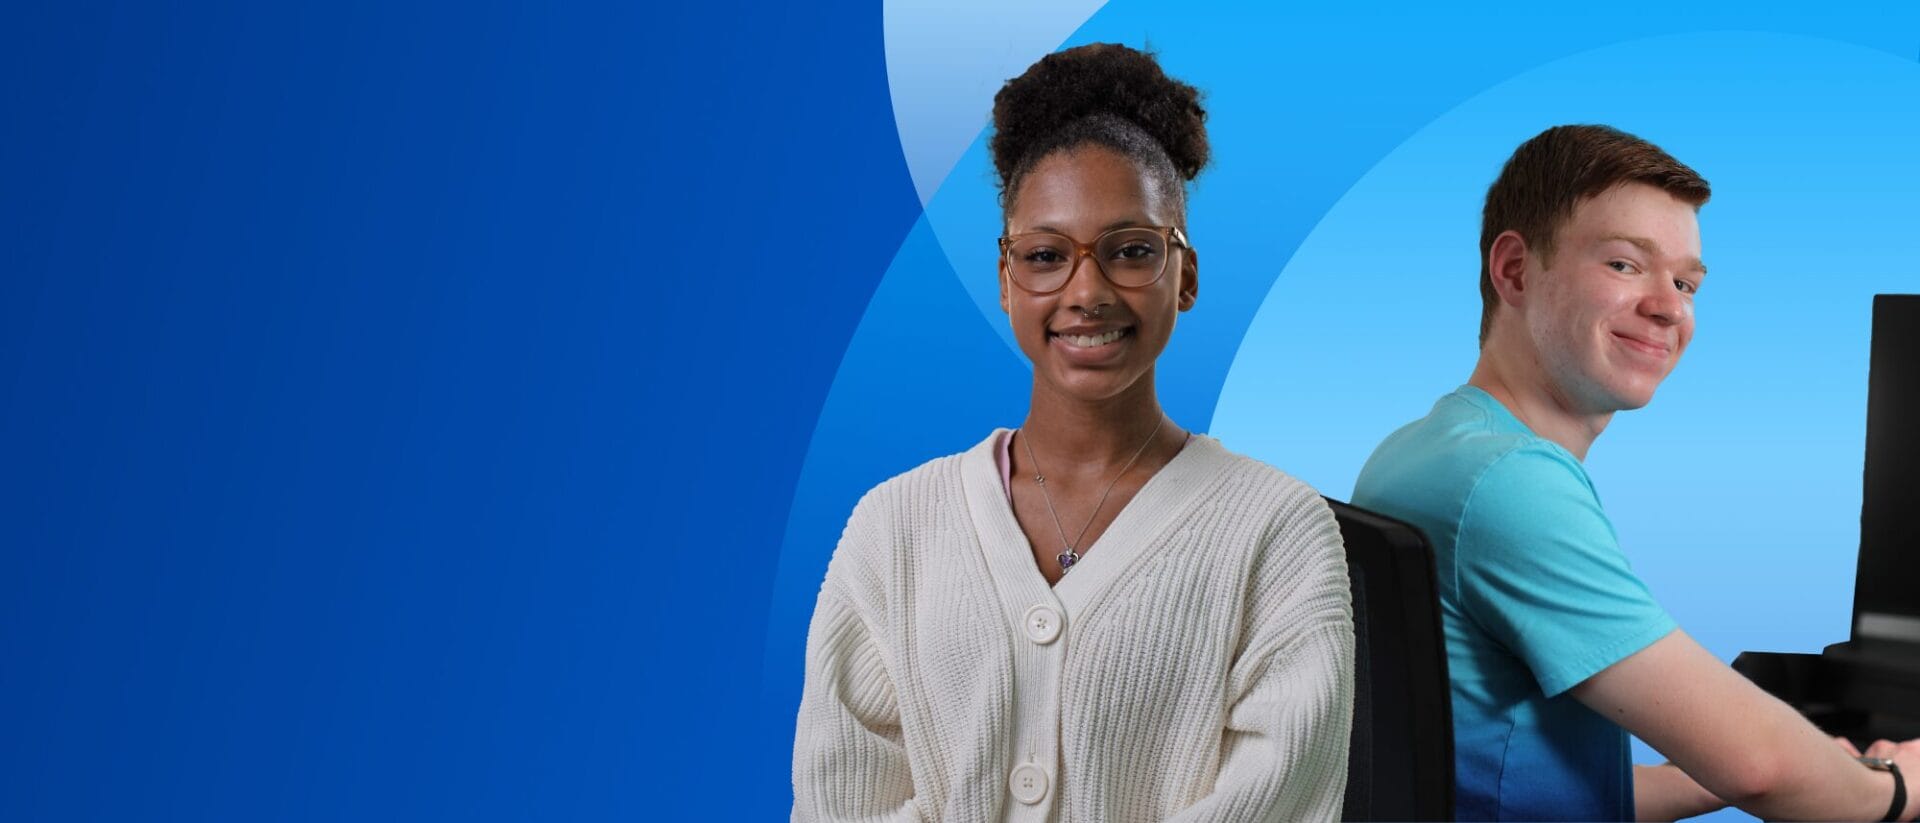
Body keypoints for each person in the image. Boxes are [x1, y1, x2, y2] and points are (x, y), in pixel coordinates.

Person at [791, 44, 1354, 822]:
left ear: (1184, 274)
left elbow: (1275, 802)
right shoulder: (893, 529)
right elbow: (840, 802)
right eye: (1047, 255)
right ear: (1005, 276)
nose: (1085, 292)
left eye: (1130, 251)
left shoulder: (1278, 531)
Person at [1352, 124, 1920, 822]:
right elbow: (1761, 766)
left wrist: (1698, 779)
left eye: (1686, 281)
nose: (1669, 305)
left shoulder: (1421, 448)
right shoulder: (1509, 483)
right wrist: (1895, 785)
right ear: (1514, 272)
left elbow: (1494, 779)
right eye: (1625, 265)